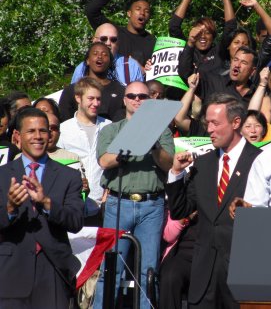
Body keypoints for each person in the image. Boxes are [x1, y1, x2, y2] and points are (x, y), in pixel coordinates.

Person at [165, 93, 262, 308]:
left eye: (215, 123)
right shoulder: (203, 163)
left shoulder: (260, 162)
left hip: (241, 273)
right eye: (207, 123)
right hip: (204, 275)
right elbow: (181, 209)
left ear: (236, 123)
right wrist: (175, 174)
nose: (209, 129)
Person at [93, 81, 174, 309]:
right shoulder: (111, 130)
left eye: (142, 96)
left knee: (149, 271)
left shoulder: (163, 130)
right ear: (124, 99)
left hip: (151, 205)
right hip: (119, 204)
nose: (137, 99)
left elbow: (168, 165)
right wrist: (128, 147)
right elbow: (104, 160)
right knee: (111, 269)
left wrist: (155, 146)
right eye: (132, 96)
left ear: (150, 100)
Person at [0, 107, 84, 308]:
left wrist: (47, 202)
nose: (38, 136)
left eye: (43, 131)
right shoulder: (2, 175)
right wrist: (10, 209)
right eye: (31, 131)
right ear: (18, 136)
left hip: (53, 270)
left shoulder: (69, 176)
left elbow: (75, 221)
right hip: (11, 271)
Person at [58, 77, 111, 224]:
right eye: (91, 98)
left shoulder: (110, 127)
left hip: (104, 205)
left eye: (98, 99)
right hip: (73, 204)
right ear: (78, 98)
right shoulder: (64, 129)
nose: (95, 103)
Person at [174, 0, 236, 82]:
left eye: (207, 32)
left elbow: (231, 27)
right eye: (199, 32)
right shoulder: (188, 48)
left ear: (213, 36)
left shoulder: (219, 51)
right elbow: (174, 26)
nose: (203, 36)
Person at [85, 0, 156, 68]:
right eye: (138, 9)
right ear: (129, 13)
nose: (142, 13)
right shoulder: (113, 34)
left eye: (147, 11)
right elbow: (91, 10)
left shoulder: (152, 42)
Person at [59, 42, 125, 122]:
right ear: (87, 60)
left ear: (110, 62)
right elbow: (64, 121)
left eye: (104, 54)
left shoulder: (121, 91)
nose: (100, 56)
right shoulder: (71, 91)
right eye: (95, 53)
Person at [70, 23, 143, 85]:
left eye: (113, 40)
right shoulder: (82, 68)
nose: (108, 43)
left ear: (118, 44)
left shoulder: (131, 66)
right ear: (94, 41)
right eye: (103, 39)